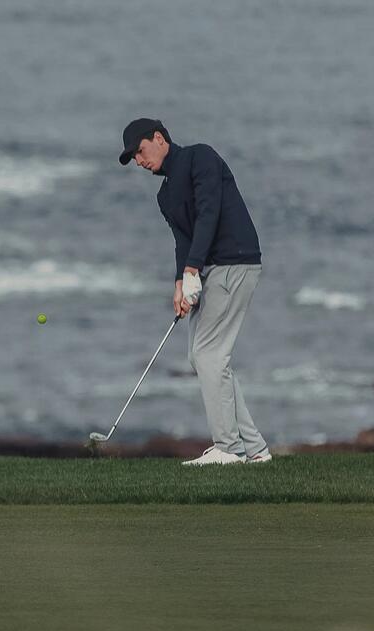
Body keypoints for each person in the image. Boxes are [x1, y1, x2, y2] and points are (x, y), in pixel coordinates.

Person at [119, 118, 270, 465]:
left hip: (235, 263)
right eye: (134, 159)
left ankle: (228, 448)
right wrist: (180, 282)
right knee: (206, 358)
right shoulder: (165, 194)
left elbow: (209, 213)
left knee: (209, 356)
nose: (140, 161)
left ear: (159, 138)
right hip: (210, 269)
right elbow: (183, 240)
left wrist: (192, 270)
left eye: (140, 151)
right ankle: (256, 449)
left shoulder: (201, 157)